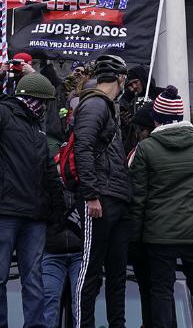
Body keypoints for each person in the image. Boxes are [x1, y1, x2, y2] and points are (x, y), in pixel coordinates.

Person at [0, 72, 65, 328]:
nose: (44, 108)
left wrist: (58, 209)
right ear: (31, 99)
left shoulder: (36, 128)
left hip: (34, 216)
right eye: (42, 102)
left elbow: (48, 171)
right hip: (3, 212)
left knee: (33, 279)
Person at [128, 86, 193, 328]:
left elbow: (139, 198)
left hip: (159, 234)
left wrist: (134, 238)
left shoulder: (146, 148)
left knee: (161, 289)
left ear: (156, 118)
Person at [73, 54, 133, 328]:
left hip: (119, 196)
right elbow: (82, 148)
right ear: (120, 78)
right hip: (100, 197)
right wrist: (91, 194)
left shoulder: (109, 108)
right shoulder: (95, 105)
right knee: (91, 270)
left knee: (118, 272)